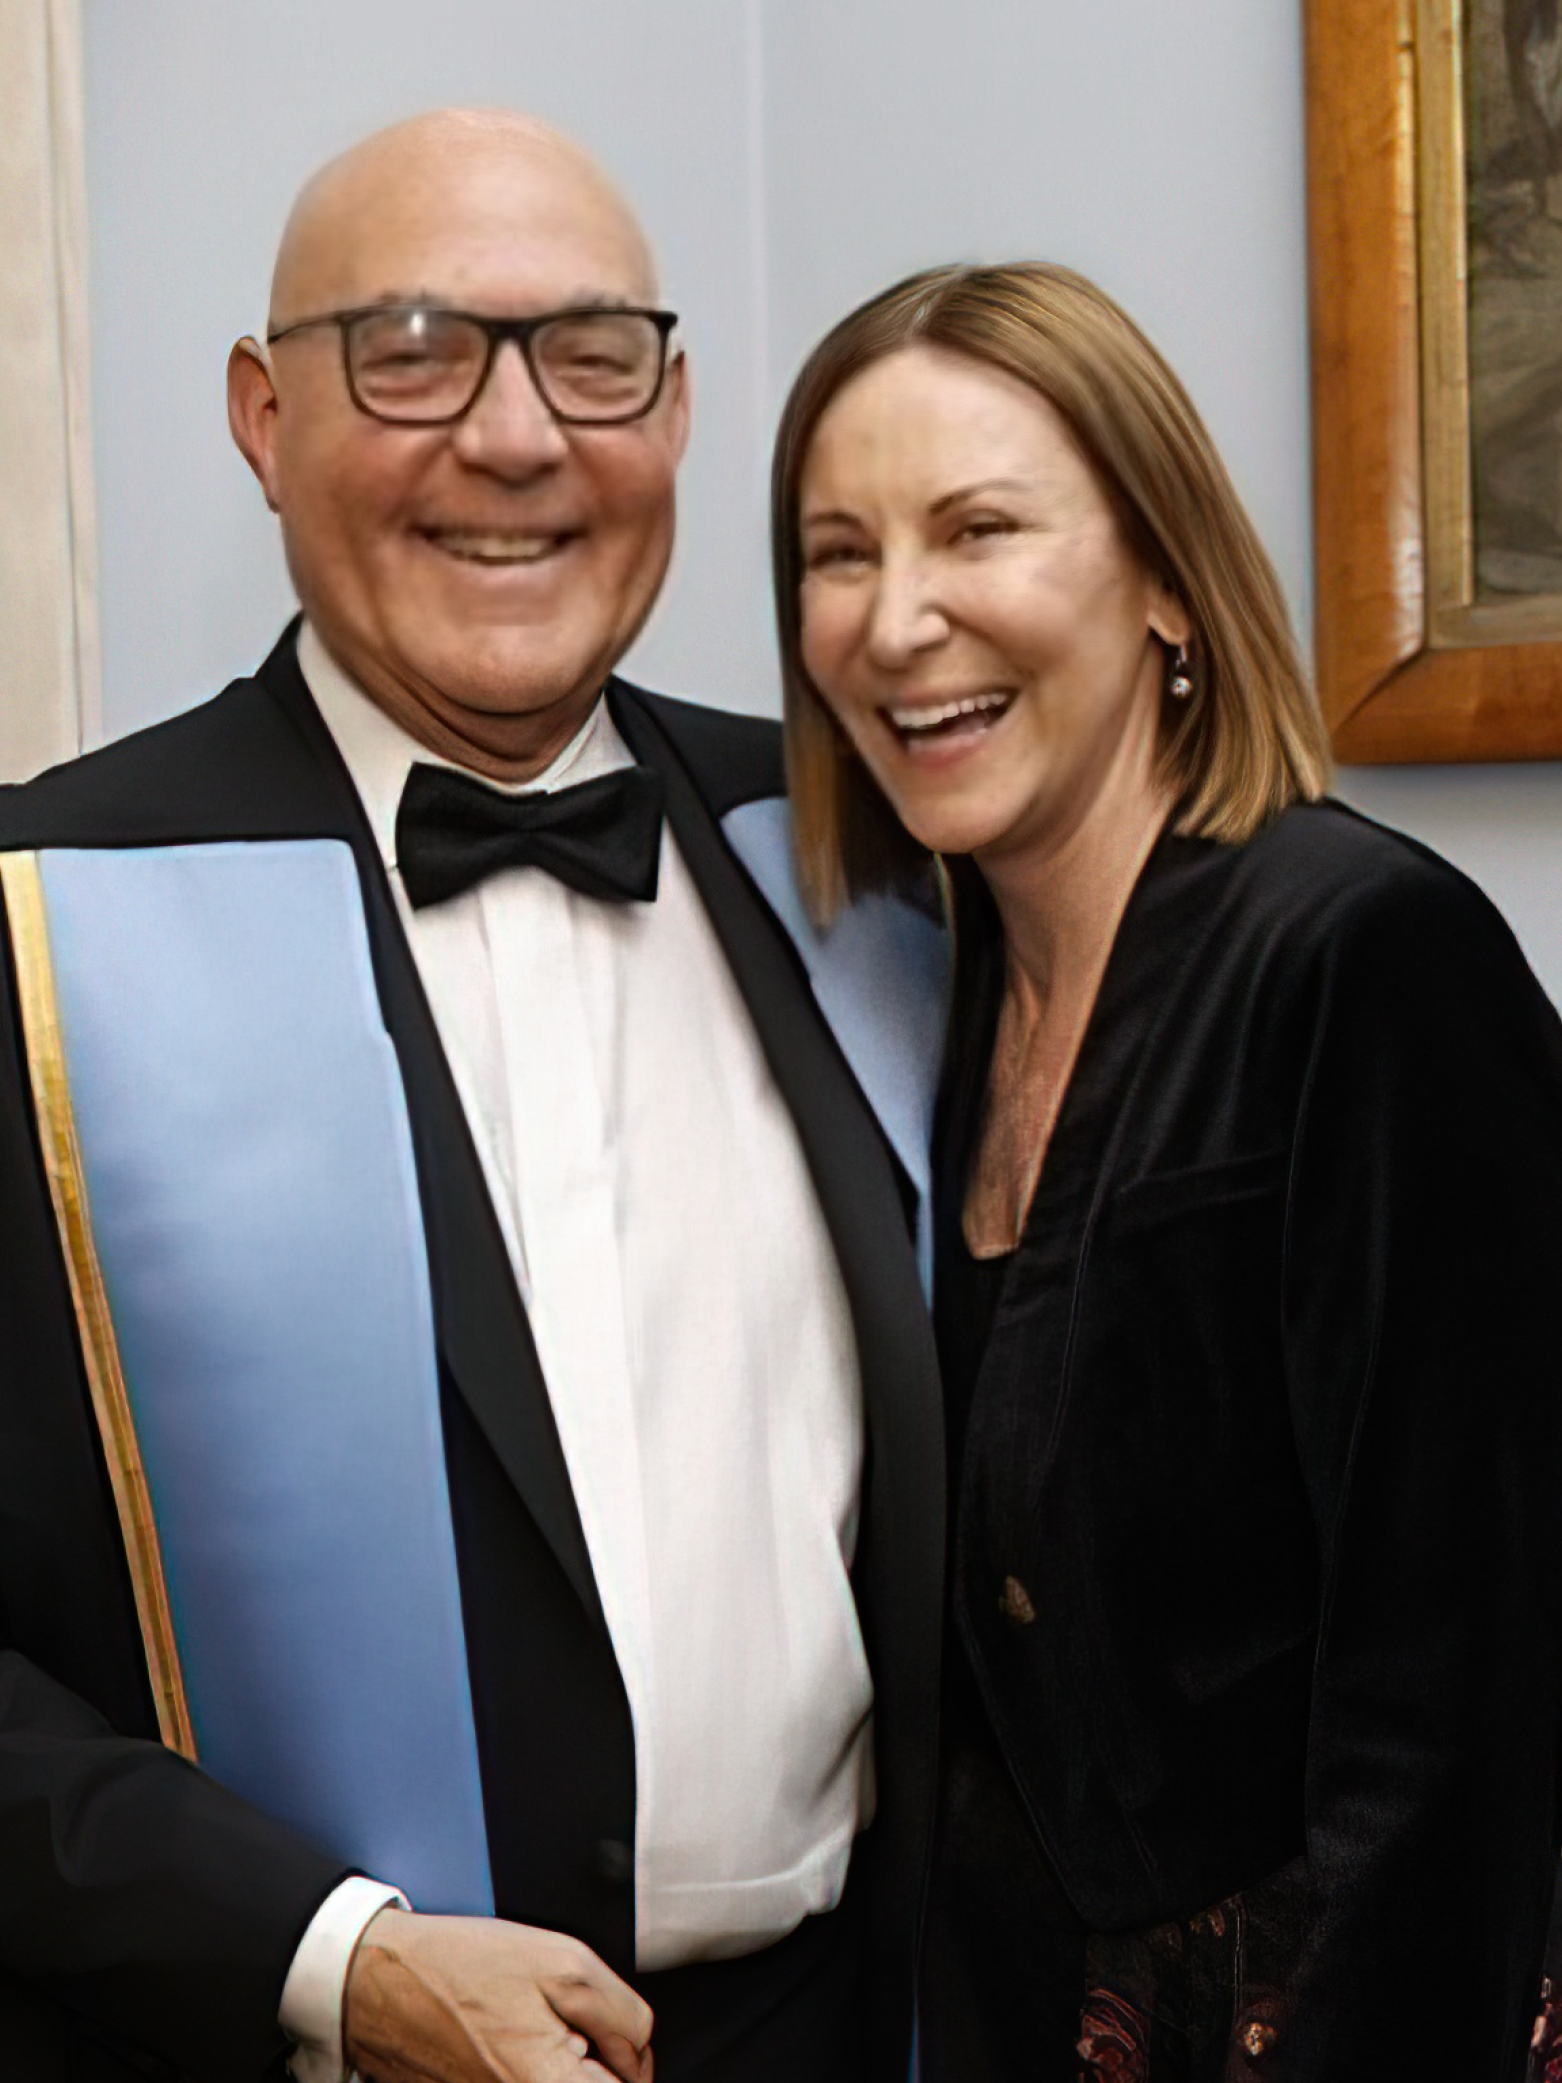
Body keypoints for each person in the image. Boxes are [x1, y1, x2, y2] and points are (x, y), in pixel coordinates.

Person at [0, 111, 948, 2083]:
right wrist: (330, 1958)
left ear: (676, 412)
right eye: (412, 349)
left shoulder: (870, 864)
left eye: (591, 355)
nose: (516, 438)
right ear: (265, 417)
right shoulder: (33, 937)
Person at [770, 259, 1562, 2080]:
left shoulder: (1359, 957)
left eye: (978, 529)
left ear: (1163, 582)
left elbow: (1457, 1705)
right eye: (835, 553)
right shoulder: (925, 1004)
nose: (897, 623)